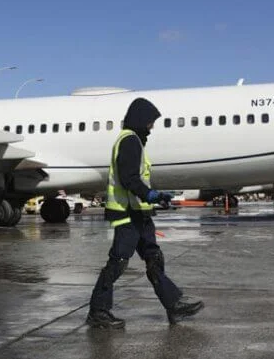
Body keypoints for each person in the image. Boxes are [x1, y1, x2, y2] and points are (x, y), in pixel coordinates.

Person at [86, 98, 204, 329]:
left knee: (154, 258)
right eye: (150, 122)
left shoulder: (136, 142)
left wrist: (156, 196)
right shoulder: (129, 141)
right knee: (118, 262)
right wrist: (149, 194)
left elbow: (137, 177)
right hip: (126, 213)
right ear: (140, 120)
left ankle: (174, 305)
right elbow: (128, 178)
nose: (152, 127)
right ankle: (98, 311)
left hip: (139, 213)